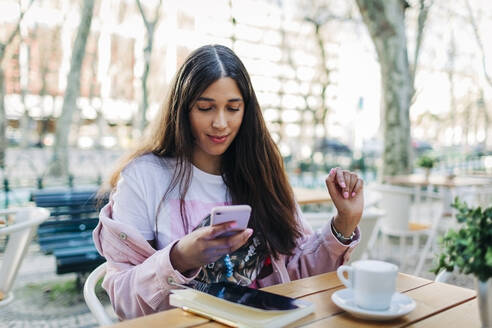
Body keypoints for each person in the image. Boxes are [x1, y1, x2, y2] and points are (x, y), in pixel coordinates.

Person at [93, 44, 364, 320]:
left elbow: (298, 274)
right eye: (205, 108)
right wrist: (179, 258)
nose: (220, 123)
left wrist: (344, 222)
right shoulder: (144, 177)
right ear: (183, 109)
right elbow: (122, 300)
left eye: (233, 108)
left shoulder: (261, 171)